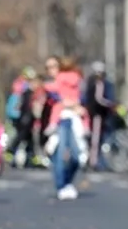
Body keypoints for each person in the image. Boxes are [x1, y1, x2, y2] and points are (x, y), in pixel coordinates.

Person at [45, 56, 86, 198]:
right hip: (55, 122)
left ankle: (66, 182)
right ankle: (61, 185)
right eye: (48, 67)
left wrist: (75, 105)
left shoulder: (73, 82)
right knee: (58, 155)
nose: (51, 70)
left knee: (76, 156)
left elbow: (82, 98)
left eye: (54, 66)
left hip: (69, 120)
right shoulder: (50, 87)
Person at [83, 61, 117, 169]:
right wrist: (110, 104)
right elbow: (99, 99)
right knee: (95, 139)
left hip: (100, 115)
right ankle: (94, 161)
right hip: (96, 114)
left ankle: (97, 161)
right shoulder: (95, 83)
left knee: (98, 139)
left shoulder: (98, 83)